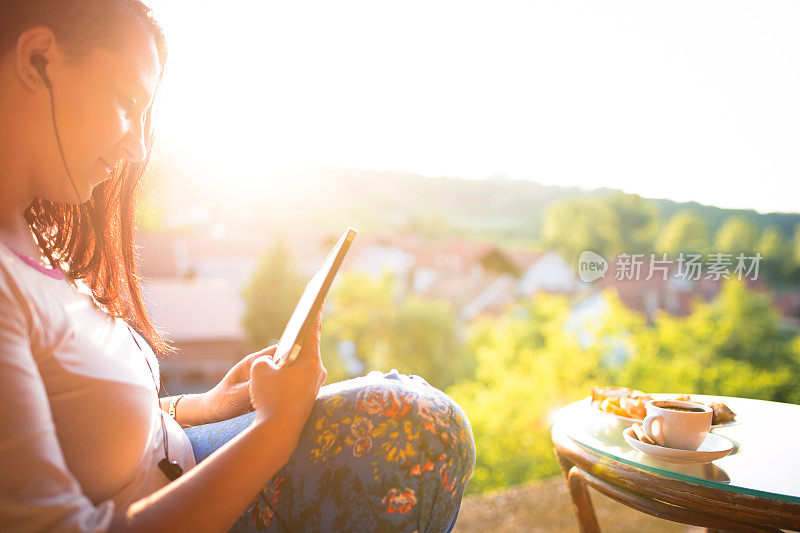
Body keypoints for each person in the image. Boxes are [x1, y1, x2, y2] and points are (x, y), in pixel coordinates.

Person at [0, 1, 475, 532]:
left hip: (183, 456)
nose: (136, 146)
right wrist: (274, 428)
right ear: (37, 58)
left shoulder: (44, 239)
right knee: (418, 427)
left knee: (412, 411)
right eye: (127, 101)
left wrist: (212, 403)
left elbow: (91, 416)